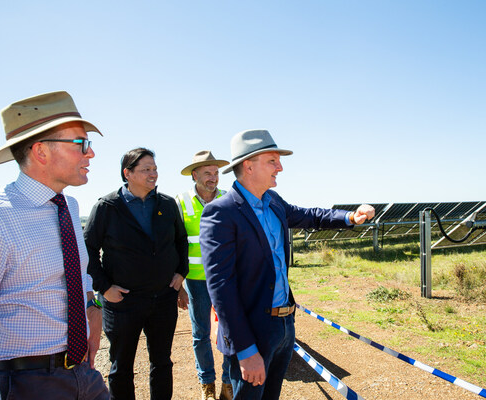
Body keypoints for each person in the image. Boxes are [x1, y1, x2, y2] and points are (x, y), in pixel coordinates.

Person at [200, 129, 375, 399]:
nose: (280, 167)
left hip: (283, 327)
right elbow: (221, 288)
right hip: (252, 330)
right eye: (272, 161)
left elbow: (310, 216)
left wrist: (350, 216)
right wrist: (246, 351)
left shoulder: (273, 202)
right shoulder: (220, 213)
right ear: (248, 165)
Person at [0, 91, 108, 399]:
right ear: (41, 152)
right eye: (81, 144)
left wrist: (91, 303)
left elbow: (78, 273)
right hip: (26, 382)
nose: (91, 154)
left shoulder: (69, 207)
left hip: (83, 373)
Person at [84, 147, 188, 400]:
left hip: (163, 299)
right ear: (127, 173)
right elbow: (87, 250)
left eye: (155, 169)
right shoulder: (107, 207)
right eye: (146, 170)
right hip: (123, 303)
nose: (153, 174)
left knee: (162, 363)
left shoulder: (167, 204)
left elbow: (181, 241)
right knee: (121, 367)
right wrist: (105, 287)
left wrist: (180, 273)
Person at [175, 151, 233, 400]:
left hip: (227, 279)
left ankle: (228, 382)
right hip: (196, 281)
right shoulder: (180, 202)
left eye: (216, 172)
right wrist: (178, 284)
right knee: (200, 334)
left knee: (232, 332)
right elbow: (174, 244)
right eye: (208, 173)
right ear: (195, 175)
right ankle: (207, 384)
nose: (213, 178)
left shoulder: (229, 199)